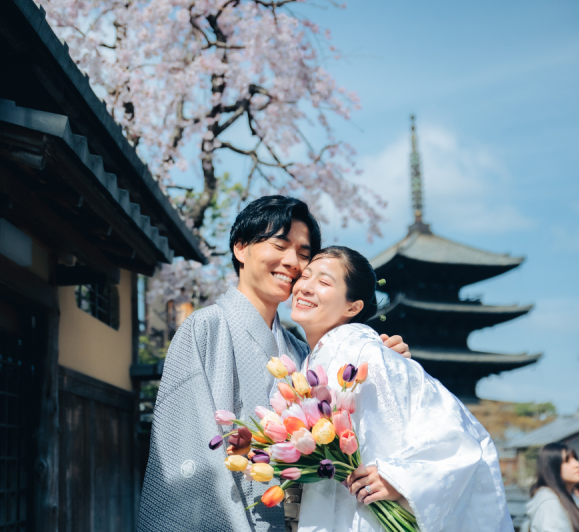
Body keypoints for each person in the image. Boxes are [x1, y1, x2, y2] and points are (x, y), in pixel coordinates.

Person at [137, 197, 410, 532]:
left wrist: (382, 368)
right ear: (240, 248)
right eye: (279, 246)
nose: (292, 262)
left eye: (304, 254)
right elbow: (187, 452)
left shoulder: (302, 351)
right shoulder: (206, 328)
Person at [290, 246, 513, 531]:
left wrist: (399, 478)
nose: (305, 287)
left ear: (353, 307)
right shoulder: (306, 364)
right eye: (304, 276)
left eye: (323, 282)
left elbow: (457, 439)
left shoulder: (370, 356)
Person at [522, 442, 579, 532]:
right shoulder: (549, 503)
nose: (577, 464)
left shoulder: (573, 499)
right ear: (552, 467)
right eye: (567, 461)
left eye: (575, 458)